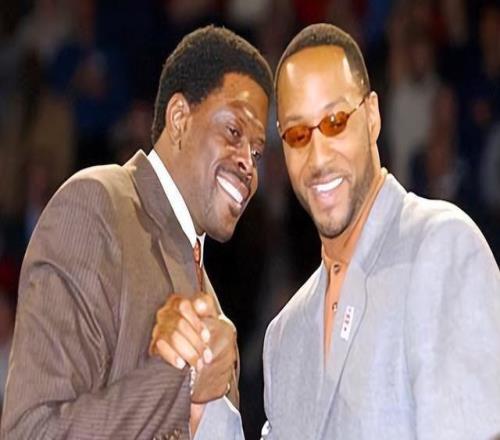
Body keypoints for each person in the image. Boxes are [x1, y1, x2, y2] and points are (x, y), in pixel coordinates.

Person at [1, 25, 272, 440]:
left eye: (256, 151)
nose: (248, 165)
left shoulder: (213, 306)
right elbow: (32, 431)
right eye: (234, 133)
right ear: (179, 118)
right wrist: (183, 381)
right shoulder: (97, 206)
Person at [261, 23, 500, 439]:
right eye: (297, 134)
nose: (318, 157)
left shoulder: (441, 248)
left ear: (371, 116)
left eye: (335, 121)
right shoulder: (284, 337)